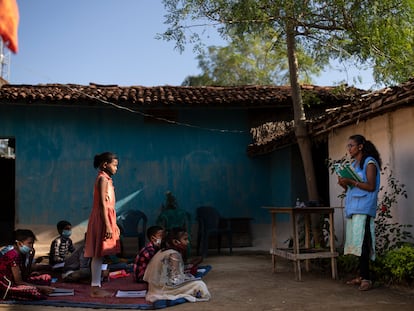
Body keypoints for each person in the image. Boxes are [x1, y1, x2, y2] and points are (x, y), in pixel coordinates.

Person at [337, 134, 382, 291]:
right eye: (348, 146)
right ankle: (362, 276)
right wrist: (344, 183)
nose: (349, 149)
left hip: (364, 207)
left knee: (363, 242)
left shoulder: (369, 163)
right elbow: (352, 187)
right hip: (355, 207)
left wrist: (351, 181)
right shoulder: (355, 165)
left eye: (351, 145)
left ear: (360, 146)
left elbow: (370, 186)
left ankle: (367, 279)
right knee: (357, 243)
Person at [84, 152, 121, 297]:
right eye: (114, 165)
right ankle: (95, 287)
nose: (116, 168)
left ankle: (96, 285)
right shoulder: (102, 180)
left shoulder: (107, 179)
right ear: (105, 164)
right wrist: (107, 225)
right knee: (98, 253)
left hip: (106, 218)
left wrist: (114, 224)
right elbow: (103, 205)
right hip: (102, 218)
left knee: (100, 254)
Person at [143, 227, 211, 303]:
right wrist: (189, 278)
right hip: (163, 290)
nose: (188, 242)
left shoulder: (163, 251)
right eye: (185, 239)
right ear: (175, 242)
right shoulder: (174, 254)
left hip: (154, 289)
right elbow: (175, 280)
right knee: (199, 284)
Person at [0, 229, 55, 300]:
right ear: (19, 243)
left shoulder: (21, 253)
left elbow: (25, 276)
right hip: (6, 285)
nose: (31, 246)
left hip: (16, 281)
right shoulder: (13, 255)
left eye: (32, 243)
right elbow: (18, 281)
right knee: (33, 292)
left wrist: (31, 258)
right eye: (29, 243)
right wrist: (41, 288)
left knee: (46, 278)